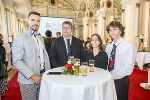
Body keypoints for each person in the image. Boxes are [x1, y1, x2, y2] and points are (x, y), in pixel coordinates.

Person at [12, 11, 51, 100]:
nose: (35, 23)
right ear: (28, 21)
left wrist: (47, 73)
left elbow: (45, 57)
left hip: (42, 77)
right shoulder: (20, 37)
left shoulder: (40, 38)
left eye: (38, 21)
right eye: (33, 20)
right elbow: (16, 61)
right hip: (28, 80)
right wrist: (32, 76)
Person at [106, 21, 137, 100]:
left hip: (121, 81)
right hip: (108, 80)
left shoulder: (128, 47)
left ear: (121, 30)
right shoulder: (109, 47)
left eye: (115, 29)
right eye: (110, 30)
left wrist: (114, 76)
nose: (112, 32)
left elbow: (128, 69)